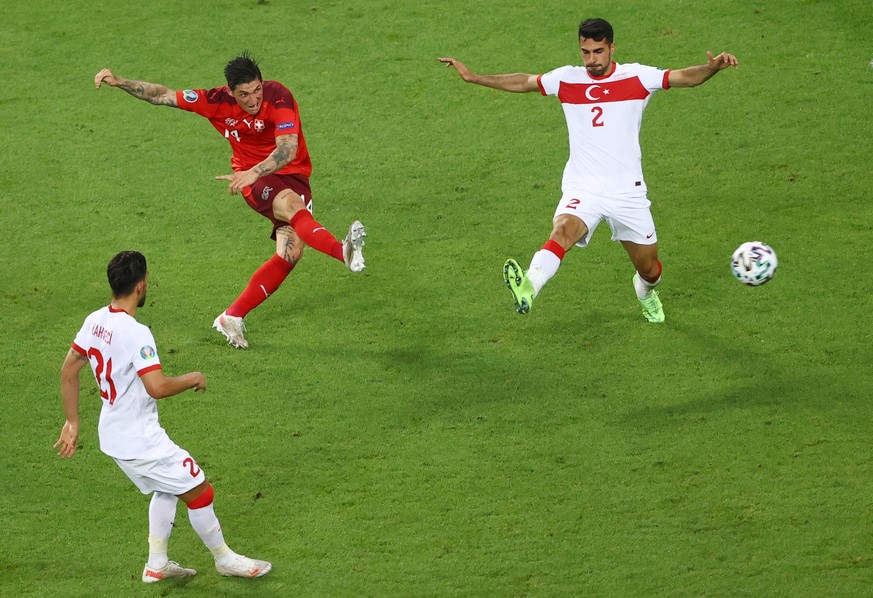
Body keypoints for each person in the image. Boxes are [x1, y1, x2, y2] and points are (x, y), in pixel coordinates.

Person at [440, 18, 738, 323]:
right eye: (585, 52)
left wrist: (712, 68)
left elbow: (684, 78)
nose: (591, 59)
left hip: (627, 192)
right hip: (584, 187)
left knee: (650, 270)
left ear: (611, 47)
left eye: (597, 51)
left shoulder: (637, 76)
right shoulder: (567, 79)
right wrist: (474, 77)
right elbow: (523, 82)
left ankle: (645, 293)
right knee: (562, 231)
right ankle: (530, 284)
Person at [94, 53, 366, 348]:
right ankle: (344, 252)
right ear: (231, 92)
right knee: (292, 206)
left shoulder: (279, 98)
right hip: (253, 182)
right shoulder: (215, 101)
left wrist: (255, 171)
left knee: (290, 253)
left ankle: (232, 317)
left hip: (290, 175)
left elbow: (288, 149)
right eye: (244, 94)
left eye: (257, 90)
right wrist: (119, 82)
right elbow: (162, 95)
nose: (253, 99)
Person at [55, 251, 271, 583]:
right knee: (200, 490)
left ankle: (157, 563)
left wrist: (72, 422)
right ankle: (224, 559)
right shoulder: (136, 332)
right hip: (140, 441)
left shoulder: (94, 320)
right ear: (140, 286)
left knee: (167, 488)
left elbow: (69, 369)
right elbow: (155, 386)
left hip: (112, 435)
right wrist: (192, 378)